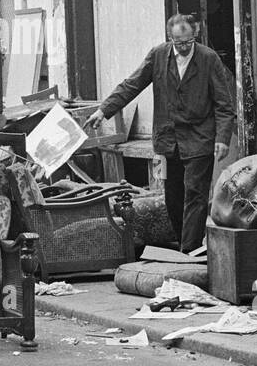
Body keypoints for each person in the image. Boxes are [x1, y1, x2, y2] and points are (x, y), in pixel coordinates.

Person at [86, 14, 235, 253]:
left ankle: (190, 250)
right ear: (170, 38)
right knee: (173, 197)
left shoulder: (208, 58)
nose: (185, 47)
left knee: (195, 194)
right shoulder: (158, 55)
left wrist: (222, 138)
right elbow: (132, 84)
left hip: (200, 138)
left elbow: (224, 104)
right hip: (168, 139)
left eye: (189, 42)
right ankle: (182, 243)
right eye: (179, 43)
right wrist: (104, 110)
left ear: (194, 36)